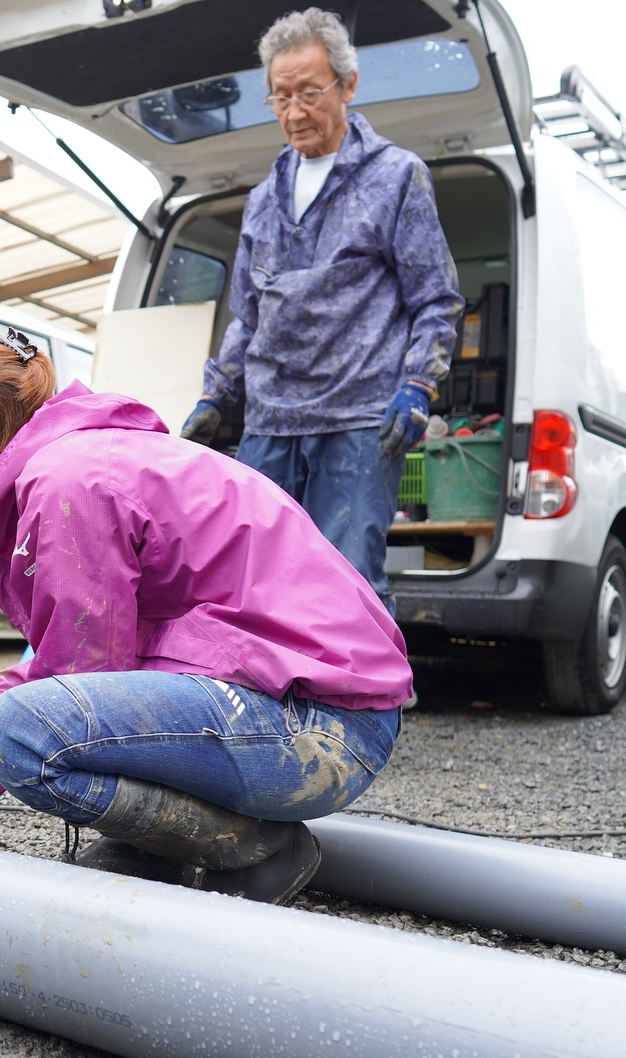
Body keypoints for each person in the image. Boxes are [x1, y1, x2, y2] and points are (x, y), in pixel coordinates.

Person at [0, 327, 412, 905]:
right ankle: (158, 848)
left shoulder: (68, 481)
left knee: (22, 736)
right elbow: (109, 642)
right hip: (309, 710)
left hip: (318, 731)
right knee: (17, 717)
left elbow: (84, 675)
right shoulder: (87, 457)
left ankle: (251, 848)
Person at [180, 7, 463, 610]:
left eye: (309, 93)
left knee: (346, 587)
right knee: (253, 582)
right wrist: (215, 396)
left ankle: (363, 679)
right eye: (281, 97)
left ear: (348, 85)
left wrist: (419, 383)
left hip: (358, 418)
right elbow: (247, 317)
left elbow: (436, 297)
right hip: (271, 419)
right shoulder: (262, 200)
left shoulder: (396, 177)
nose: (294, 113)